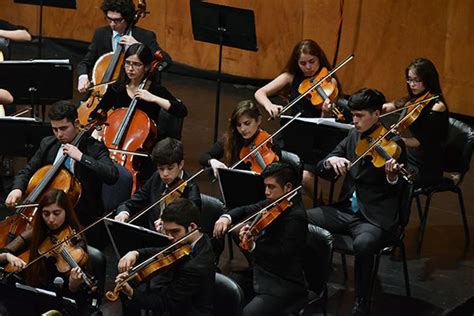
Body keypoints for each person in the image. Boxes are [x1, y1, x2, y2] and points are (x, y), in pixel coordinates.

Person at [306, 88, 406, 316]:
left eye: (360, 115)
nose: (355, 120)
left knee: (363, 245)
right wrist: (333, 160)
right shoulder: (353, 135)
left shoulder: (395, 144)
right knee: (299, 218)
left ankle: (361, 301)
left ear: (376, 115)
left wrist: (391, 176)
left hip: (373, 217)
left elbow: (401, 189)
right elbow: (323, 164)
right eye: (353, 115)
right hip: (345, 211)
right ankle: (311, 284)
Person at [5, 101, 118, 248]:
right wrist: (17, 189)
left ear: (76, 123)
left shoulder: (94, 148)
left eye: (63, 128)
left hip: (80, 220)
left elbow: (112, 175)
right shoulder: (48, 144)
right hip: (46, 217)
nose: (59, 134)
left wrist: (81, 157)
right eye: (55, 129)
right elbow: (27, 171)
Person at [255, 39, 347, 199]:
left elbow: (327, 123)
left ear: (320, 59)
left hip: (316, 139)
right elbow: (260, 93)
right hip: (293, 135)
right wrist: (269, 105)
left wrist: (326, 113)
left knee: (305, 177)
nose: (308, 67)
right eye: (303, 63)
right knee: (268, 166)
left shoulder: (329, 81)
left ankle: (320, 205)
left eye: (312, 62)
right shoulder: (291, 77)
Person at [214, 162, 308, 315]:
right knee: (223, 294)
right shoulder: (276, 201)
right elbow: (246, 209)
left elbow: (281, 255)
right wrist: (227, 217)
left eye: (271, 187)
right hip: (262, 270)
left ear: (288, 187)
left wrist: (253, 246)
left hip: (282, 283)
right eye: (265, 186)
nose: (266, 192)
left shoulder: (296, 217)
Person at [0, 189, 97, 315]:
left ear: (66, 212)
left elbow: (75, 293)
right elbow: (5, 252)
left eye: (56, 213)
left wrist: (74, 284)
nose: (51, 219)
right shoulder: (37, 232)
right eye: (46, 213)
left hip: (59, 300)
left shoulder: (76, 239)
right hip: (31, 294)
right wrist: (8, 256)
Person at [114, 198, 215, 316]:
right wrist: (136, 253)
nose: (170, 237)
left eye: (175, 231)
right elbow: (163, 251)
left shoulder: (195, 265)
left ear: (192, 226)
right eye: (167, 231)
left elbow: (166, 303)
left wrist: (131, 293)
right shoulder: (196, 238)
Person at [91, 42, 187, 141]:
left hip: (144, 141)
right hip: (116, 135)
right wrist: (99, 126)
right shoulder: (117, 88)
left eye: (136, 64)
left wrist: (154, 98)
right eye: (127, 63)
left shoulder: (155, 90)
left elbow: (181, 110)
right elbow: (96, 113)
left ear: (146, 67)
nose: (130, 69)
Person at [77, 0, 171, 93]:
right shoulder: (101, 34)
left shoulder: (145, 36)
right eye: (109, 19)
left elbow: (166, 61)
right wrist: (83, 77)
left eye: (117, 20)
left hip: (134, 91)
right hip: (102, 91)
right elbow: (85, 62)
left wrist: (139, 46)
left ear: (127, 18)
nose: (112, 24)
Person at [383, 58, 449, 187]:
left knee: (384, 170)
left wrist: (392, 140)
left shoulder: (436, 107)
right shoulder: (414, 99)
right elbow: (391, 106)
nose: (412, 84)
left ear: (428, 80)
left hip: (424, 165)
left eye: (416, 80)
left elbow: (420, 141)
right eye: (409, 79)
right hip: (409, 155)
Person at [114, 137, 201, 231]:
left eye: (170, 168)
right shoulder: (156, 178)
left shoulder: (191, 188)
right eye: (161, 168)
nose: (165, 174)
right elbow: (132, 202)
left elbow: (192, 222)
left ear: (181, 165)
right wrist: (123, 212)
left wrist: (168, 222)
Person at [199, 100, 280, 177]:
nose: (242, 129)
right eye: (238, 125)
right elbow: (204, 157)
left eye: (247, 123)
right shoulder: (232, 139)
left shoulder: (270, 143)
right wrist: (213, 161)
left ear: (258, 120)